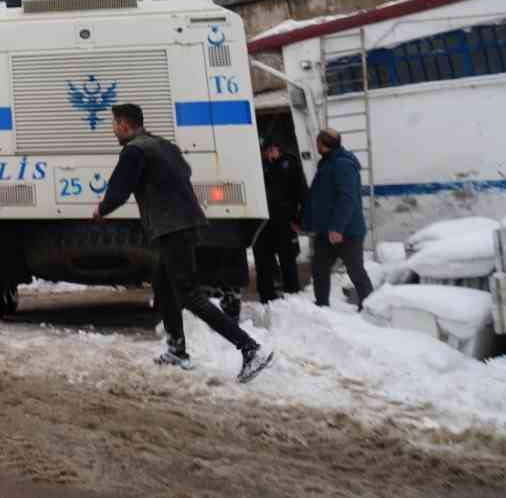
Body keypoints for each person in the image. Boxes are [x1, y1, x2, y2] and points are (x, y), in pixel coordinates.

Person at [93, 103, 273, 383]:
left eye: (115, 124)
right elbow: (185, 173)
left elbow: (119, 189)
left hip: (172, 227)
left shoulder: (134, 151)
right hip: (184, 224)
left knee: (189, 294)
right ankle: (177, 349)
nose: (113, 129)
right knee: (163, 285)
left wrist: (101, 210)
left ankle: (251, 349)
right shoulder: (163, 146)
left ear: (125, 125)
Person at [302, 128, 375, 310]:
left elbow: (347, 198)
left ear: (323, 144)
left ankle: (371, 307)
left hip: (346, 232)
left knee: (355, 270)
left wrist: (337, 228)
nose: (316, 145)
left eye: (318, 142)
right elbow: (318, 197)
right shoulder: (327, 163)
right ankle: (321, 305)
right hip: (327, 231)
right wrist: (307, 224)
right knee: (319, 268)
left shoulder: (342, 164)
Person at [254, 137, 306, 303]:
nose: (269, 153)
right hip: (262, 223)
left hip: (285, 221)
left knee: (288, 261)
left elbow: (302, 192)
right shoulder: (258, 166)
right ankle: (267, 298)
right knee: (263, 263)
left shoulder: (289, 164)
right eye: (266, 150)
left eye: (272, 149)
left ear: (278, 149)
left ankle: (292, 296)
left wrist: (299, 220)